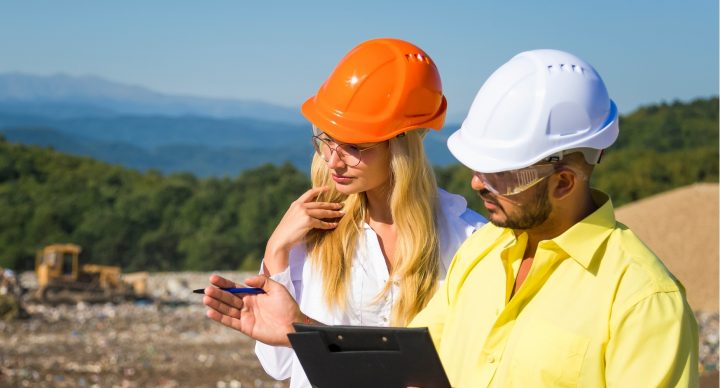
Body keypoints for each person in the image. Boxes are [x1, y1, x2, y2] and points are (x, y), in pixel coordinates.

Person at [204, 48, 699, 387]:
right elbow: (404, 372)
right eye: (475, 168)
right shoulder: (482, 257)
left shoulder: (642, 299)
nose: (477, 183)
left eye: (498, 174)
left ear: (563, 182)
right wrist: (300, 327)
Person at [202, 38, 485, 387]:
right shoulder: (315, 231)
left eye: (354, 146)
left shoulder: (469, 241)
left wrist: (303, 327)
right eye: (327, 140)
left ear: (402, 145)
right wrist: (275, 252)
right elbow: (279, 366)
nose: (333, 160)